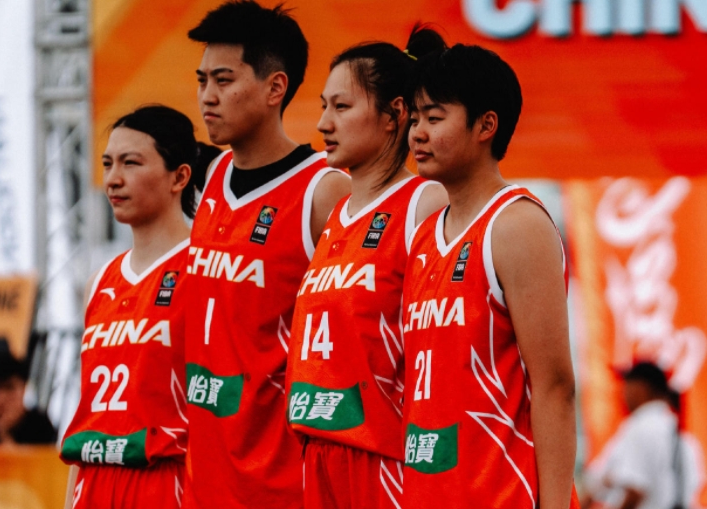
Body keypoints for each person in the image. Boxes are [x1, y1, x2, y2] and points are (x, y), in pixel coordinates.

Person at [182, 2, 351, 508]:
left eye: (224, 80)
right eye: (202, 80)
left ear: (275, 87)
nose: (207, 96)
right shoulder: (213, 177)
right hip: (206, 480)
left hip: (283, 484)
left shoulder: (324, 190)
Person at [401, 40, 578, 508]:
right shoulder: (423, 236)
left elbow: (555, 387)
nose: (417, 133)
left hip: (502, 495)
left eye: (434, 117)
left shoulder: (517, 226)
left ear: (486, 125)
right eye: (415, 119)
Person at [284, 29, 448, 509]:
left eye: (342, 107)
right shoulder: (335, 215)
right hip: (320, 453)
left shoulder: (424, 202)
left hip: (386, 461)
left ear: (395, 114)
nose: (323, 123)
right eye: (323, 106)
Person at [59, 105, 219, 509]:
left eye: (131, 163)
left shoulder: (207, 269)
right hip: (94, 482)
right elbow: (89, 413)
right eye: (107, 164)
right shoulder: (99, 282)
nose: (113, 179)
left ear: (180, 177)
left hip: (167, 482)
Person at [582, 362, 705, 509]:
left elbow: (634, 491)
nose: (622, 393)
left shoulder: (640, 427)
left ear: (641, 388)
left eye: (627, 385)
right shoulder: (684, 437)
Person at [0, 351, 56, 445]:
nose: (3, 397)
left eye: (9, 388)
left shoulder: (40, 425)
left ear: (24, 389)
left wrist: (4, 433)